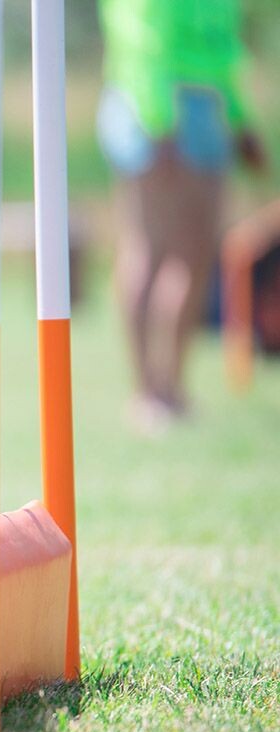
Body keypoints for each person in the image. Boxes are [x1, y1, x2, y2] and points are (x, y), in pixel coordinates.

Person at [97, 0, 267, 432]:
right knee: (150, 251)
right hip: (153, 102)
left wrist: (240, 118)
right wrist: (160, 121)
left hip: (207, 106)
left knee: (195, 258)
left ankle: (171, 389)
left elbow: (223, 47)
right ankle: (146, 393)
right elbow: (141, 37)